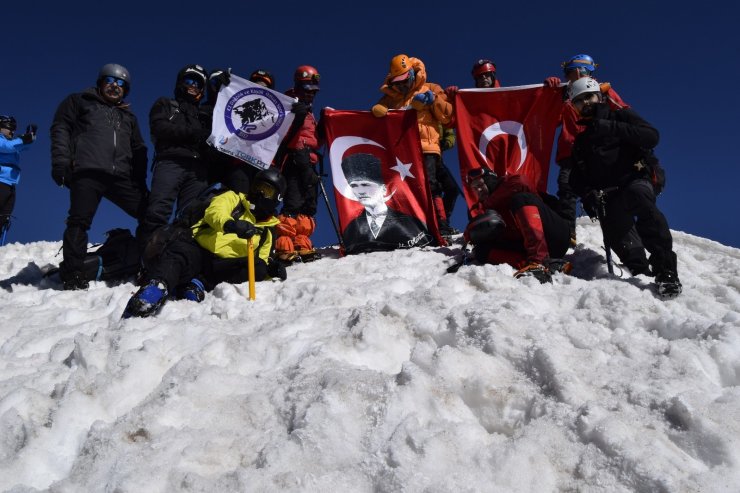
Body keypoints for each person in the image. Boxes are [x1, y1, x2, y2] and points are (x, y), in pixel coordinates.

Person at [566, 77, 681, 298]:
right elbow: (576, 178)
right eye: (579, 101)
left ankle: (666, 271)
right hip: (608, 194)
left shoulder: (620, 116)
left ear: (598, 96)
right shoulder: (581, 141)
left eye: (588, 97)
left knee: (639, 199)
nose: (585, 103)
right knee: (618, 235)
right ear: (574, 106)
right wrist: (588, 194)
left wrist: (611, 127)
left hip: (635, 180)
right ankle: (640, 272)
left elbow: (651, 136)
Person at [123, 168, 288, 317]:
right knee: (180, 252)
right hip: (199, 249)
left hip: (222, 266)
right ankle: (157, 286)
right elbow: (214, 212)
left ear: (277, 198)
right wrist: (230, 224)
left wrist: (270, 269)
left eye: (267, 191)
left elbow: (264, 258)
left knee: (258, 267)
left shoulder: (267, 231)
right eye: (257, 187)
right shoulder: (234, 199)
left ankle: (198, 283)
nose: (259, 193)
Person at [51, 63, 149, 290]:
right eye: (111, 80)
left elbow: (139, 149)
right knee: (79, 220)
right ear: (100, 82)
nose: (116, 86)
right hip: (88, 170)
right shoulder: (79, 101)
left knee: (149, 212)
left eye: (122, 84)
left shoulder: (128, 117)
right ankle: (74, 274)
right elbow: (60, 128)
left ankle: (147, 264)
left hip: (120, 177)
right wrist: (61, 162)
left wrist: (140, 182)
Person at [544, 54, 629, 243]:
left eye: (567, 73)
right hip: (572, 152)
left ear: (576, 71)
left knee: (609, 194)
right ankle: (567, 234)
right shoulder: (564, 94)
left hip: (600, 151)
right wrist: (550, 93)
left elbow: (624, 113)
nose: (566, 78)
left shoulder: (602, 92)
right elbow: (551, 119)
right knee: (567, 188)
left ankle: (625, 240)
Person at [371, 54, 454, 238]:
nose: (401, 86)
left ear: (411, 74)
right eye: (397, 82)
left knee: (431, 185)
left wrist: (434, 101)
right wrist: (376, 111)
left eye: (404, 80)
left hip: (427, 148)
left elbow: (449, 117)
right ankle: (412, 227)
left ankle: (440, 224)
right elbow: (376, 115)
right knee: (404, 189)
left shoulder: (431, 88)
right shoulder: (390, 98)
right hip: (401, 152)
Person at [464, 167, 572, 283]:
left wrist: (490, 204)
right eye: (475, 188)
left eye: (480, 185)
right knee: (481, 250)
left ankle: (538, 261)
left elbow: (521, 182)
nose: (478, 190)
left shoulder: (508, 183)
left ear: (489, 181)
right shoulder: (480, 208)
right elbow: (470, 232)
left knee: (521, 198)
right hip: (526, 244)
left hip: (555, 235)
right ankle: (545, 264)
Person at [142, 64, 211, 244]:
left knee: (191, 218)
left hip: (198, 170)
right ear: (180, 83)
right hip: (170, 162)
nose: (192, 85)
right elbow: (159, 128)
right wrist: (193, 134)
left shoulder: (205, 114)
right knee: (158, 211)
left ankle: (177, 263)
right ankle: (146, 262)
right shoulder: (166, 104)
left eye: (198, 83)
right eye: (189, 80)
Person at [272, 65, 323, 262]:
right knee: (292, 201)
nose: (311, 95)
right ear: (298, 87)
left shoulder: (309, 112)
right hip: (293, 158)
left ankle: (302, 241)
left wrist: (324, 128)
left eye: (313, 91)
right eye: (307, 90)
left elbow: (315, 140)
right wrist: (296, 116)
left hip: (310, 160)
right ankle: (284, 243)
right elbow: (281, 135)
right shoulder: (288, 105)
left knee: (308, 203)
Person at [340, 153, 432, 254]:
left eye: (366, 184)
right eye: (354, 186)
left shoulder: (410, 223)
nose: (360, 191)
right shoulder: (351, 229)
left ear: (383, 189)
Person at [206, 68, 277, 193]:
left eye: (264, 86)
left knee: (260, 208)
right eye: (255, 84)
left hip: (263, 168)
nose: (259, 87)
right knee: (236, 203)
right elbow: (217, 108)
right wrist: (219, 86)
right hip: (235, 165)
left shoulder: (277, 116)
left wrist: (297, 117)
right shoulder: (237, 105)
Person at [0, 115, 36, 243]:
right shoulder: (2, 141)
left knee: (4, 218)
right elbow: (7, 147)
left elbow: (21, 147)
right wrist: (22, 139)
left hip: (10, 184)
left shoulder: (10, 143)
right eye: (10, 127)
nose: (13, 131)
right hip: (1, 182)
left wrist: (29, 138)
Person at [438, 125, 461, 236]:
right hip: (415, 160)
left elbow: (450, 135)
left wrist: (446, 143)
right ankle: (435, 224)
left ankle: (443, 223)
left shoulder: (439, 114)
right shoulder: (416, 111)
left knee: (452, 189)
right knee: (433, 191)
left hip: (437, 159)